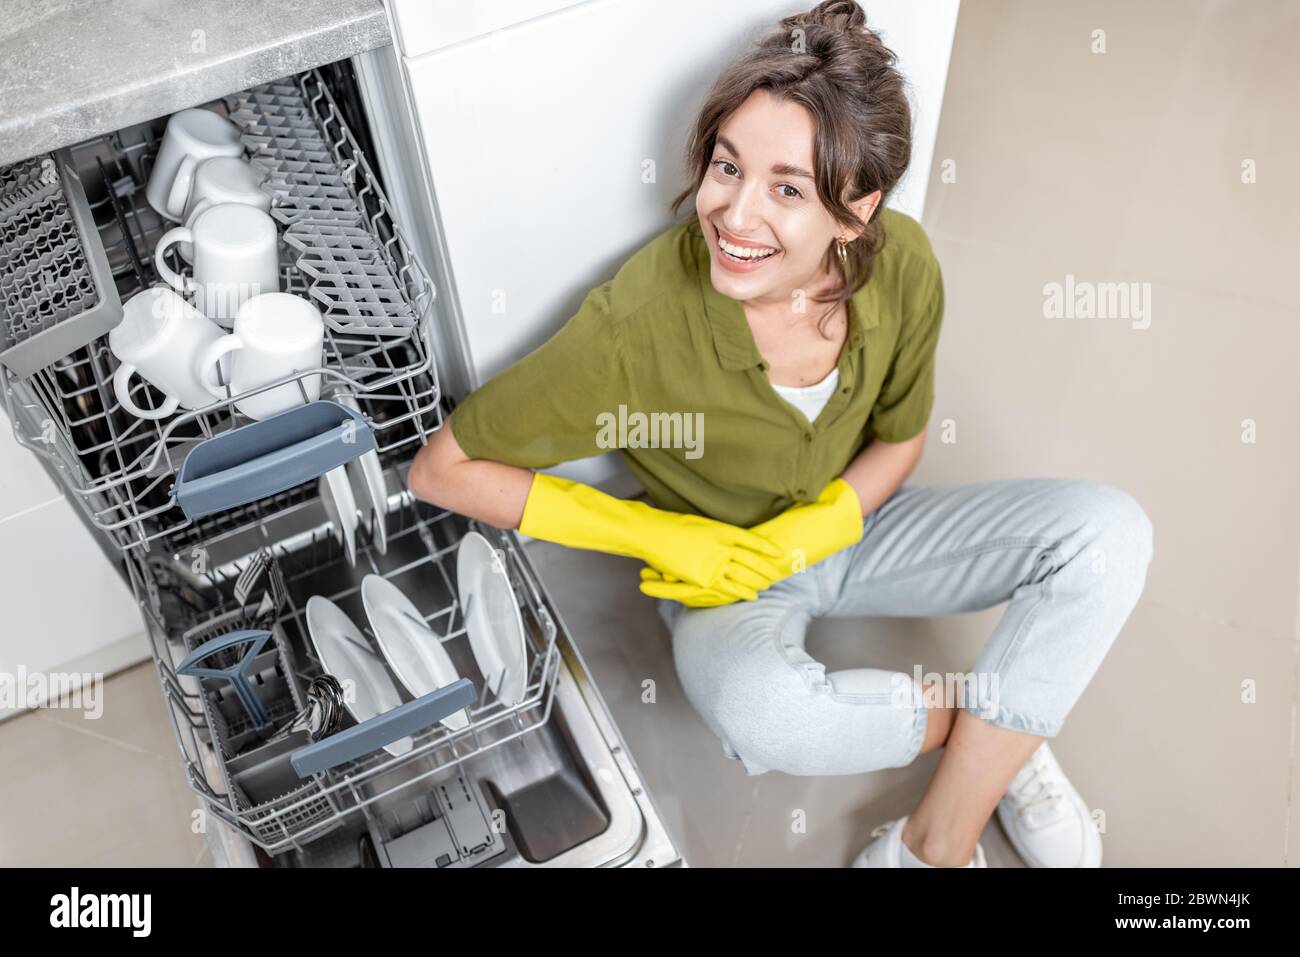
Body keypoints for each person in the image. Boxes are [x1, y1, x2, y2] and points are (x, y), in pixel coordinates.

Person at [407, 0, 1153, 868]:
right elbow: (442, 469)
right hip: (720, 573)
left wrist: (821, 524)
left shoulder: (904, 263)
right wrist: (662, 534)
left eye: (787, 188)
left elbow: (901, 442)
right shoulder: (636, 324)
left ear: (856, 212)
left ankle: (932, 842)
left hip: (858, 523)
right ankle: (1004, 733)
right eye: (728, 166)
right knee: (772, 716)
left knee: (1111, 536)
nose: (733, 214)